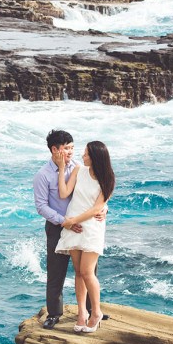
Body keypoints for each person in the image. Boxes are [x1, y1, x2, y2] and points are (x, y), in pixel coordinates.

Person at [33, 130, 107, 330]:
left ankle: (92, 310)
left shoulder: (79, 168)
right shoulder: (43, 175)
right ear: (54, 149)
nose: (71, 152)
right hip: (57, 226)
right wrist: (64, 221)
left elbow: (95, 192)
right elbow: (41, 206)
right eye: (66, 148)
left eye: (73, 148)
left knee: (87, 271)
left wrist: (104, 209)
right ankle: (54, 313)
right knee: (56, 272)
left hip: (83, 225)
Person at [54, 141, 116, 333]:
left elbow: (97, 208)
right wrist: (62, 168)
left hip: (91, 227)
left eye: (86, 153)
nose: (82, 156)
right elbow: (64, 193)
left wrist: (72, 221)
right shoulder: (78, 170)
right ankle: (82, 313)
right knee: (79, 272)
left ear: (95, 157)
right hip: (74, 226)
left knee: (87, 272)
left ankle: (96, 312)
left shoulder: (108, 179)